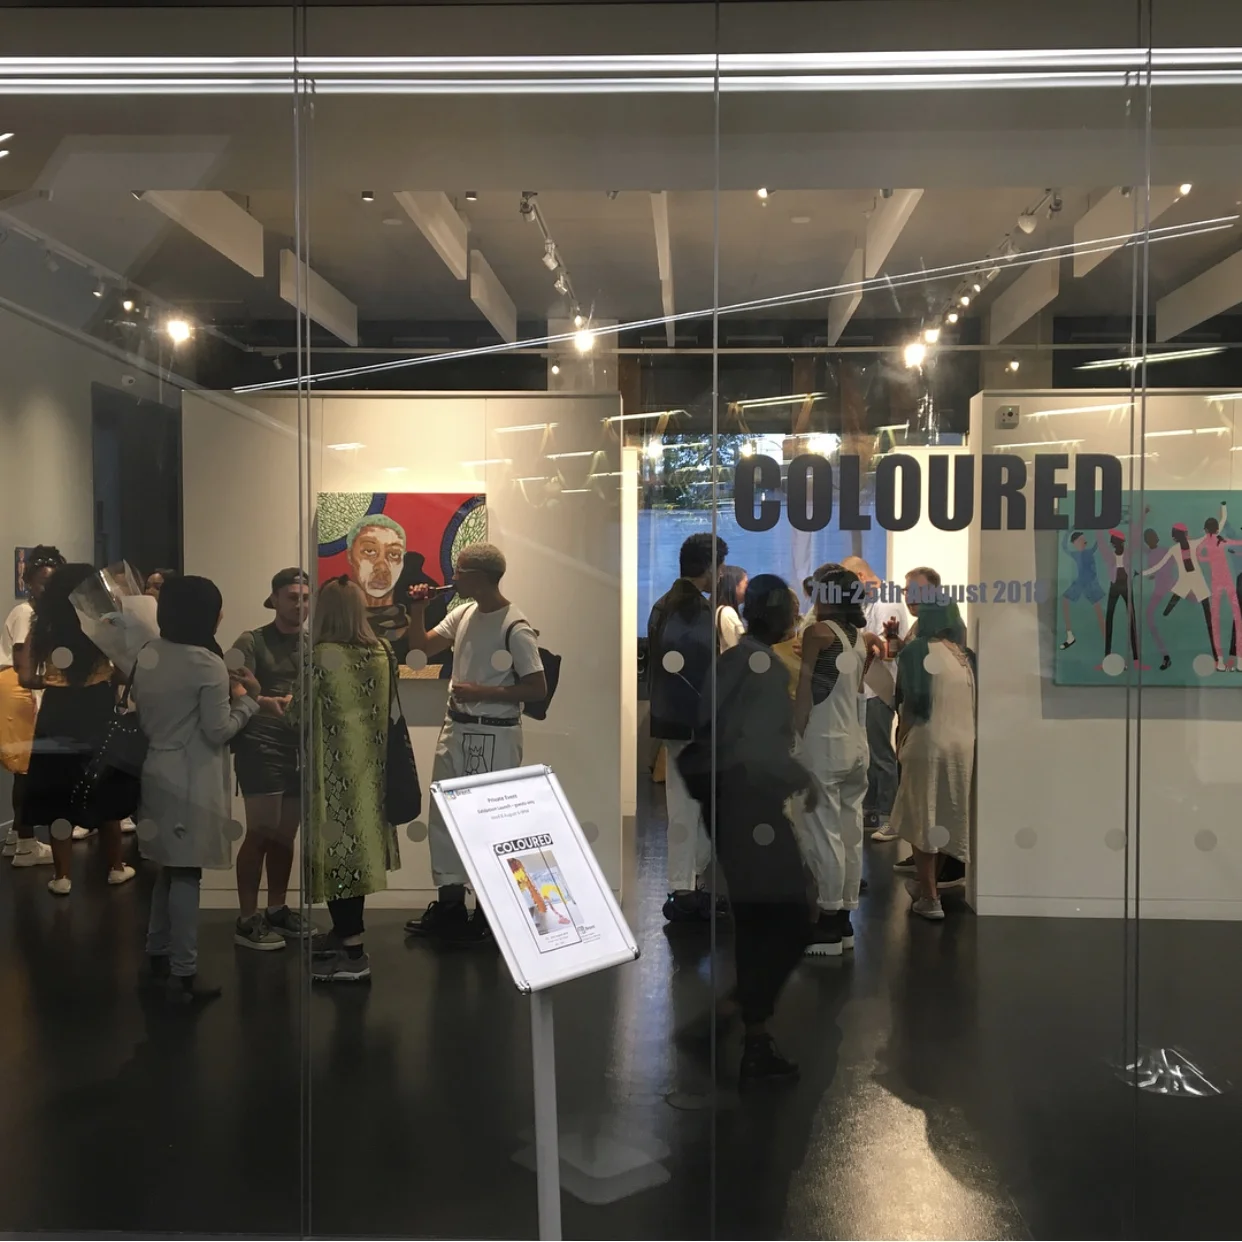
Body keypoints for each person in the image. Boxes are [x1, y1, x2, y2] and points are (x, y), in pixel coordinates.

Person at [695, 574, 813, 1081]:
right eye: (791, 607)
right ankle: (744, 1027)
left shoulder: (732, 662)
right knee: (791, 919)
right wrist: (800, 778)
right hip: (752, 811)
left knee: (759, 921)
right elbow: (757, 748)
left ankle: (748, 1029)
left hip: (728, 808)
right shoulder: (762, 669)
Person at [403, 543, 546, 942]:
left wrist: (483, 691)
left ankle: (490, 913)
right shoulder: (464, 613)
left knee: (492, 823)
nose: (453, 578)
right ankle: (450, 907)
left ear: (480, 577)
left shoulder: (514, 626)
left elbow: (537, 687)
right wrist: (417, 610)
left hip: (495, 732)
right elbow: (421, 648)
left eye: (460, 571)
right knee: (444, 818)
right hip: (458, 727)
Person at [133, 576, 261, 1004]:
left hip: (156, 768)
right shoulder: (206, 663)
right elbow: (218, 729)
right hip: (191, 776)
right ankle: (184, 972)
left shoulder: (149, 653)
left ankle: (157, 953)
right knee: (187, 873)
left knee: (167, 868)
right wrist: (249, 700)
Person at [292, 577, 403, 982]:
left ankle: (353, 954)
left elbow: (297, 715)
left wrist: (259, 697)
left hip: (332, 775)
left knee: (338, 859)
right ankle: (343, 935)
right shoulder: (384, 652)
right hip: (373, 772)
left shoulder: (319, 656)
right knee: (359, 858)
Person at [20, 564, 135, 895]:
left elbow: (25, 676)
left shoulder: (44, 625)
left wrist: (53, 681)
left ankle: (62, 876)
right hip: (96, 707)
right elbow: (125, 672)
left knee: (58, 791)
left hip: (57, 710)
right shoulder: (102, 623)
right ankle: (115, 868)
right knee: (106, 789)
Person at [230, 567, 313, 950]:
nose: (300, 605)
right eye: (293, 598)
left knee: (285, 835)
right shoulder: (251, 640)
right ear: (275, 599)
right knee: (261, 832)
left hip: (299, 747)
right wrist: (264, 701)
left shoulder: (313, 644)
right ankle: (247, 919)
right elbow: (230, 683)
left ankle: (277, 909)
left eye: (305, 598)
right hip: (260, 745)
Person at [647, 532, 727, 923]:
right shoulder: (691, 608)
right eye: (719, 566)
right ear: (709, 567)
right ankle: (684, 889)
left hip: (678, 721)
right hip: (692, 724)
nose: (722, 574)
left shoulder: (666, 603)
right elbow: (696, 671)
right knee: (688, 806)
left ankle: (688, 886)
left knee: (690, 805)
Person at [794, 564, 872, 957]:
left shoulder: (818, 633)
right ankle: (843, 920)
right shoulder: (860, 639)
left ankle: (827, 920)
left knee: (823, 833)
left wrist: (794, 737)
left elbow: (805, 692)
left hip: (824, 743)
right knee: (850, 832)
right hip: (856, 743)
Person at [890, 598, 975, 920]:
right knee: (945, 815)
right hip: (963, 745)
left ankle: (929, 897)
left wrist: (900, 740)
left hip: (927, 742)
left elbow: (913, 704)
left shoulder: (917, 651)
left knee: (922, 816)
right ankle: (929, 887)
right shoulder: (966, 657)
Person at [2, 545, 64, 866]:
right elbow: (23, 661)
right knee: (25, 770)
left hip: (19, 686)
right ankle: (26, 844)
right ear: (29, 582)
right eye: (43, 582)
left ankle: (17, 837)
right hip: (18, 688)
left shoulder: (36, 613)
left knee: (23, 770)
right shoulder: (26, 614)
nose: (48, 589)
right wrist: (50, 685)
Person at [842, 556, 911, 841]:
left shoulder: (887, 601)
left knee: (881, 753)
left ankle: (888, 814)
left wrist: (866, 644)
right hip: (869, 686)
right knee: (870, 752)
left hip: (879, 686)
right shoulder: (873, 601)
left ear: (860, 576)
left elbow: (887, 650)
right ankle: (872, 809)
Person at [1058, 530, 1107, 652]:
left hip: (1090, 585)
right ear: (1075, 543)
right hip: (1080, 583)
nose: (1084, 542)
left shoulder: (1089, 552)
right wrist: (1069, 531)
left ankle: (1107, 642)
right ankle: (1070, 636)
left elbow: (1098, 543)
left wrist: (1100, 529)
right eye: (1081, 540)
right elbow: (1064, 546)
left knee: (1099, 612)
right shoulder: (1075, 554)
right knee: (1064, 601)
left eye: (1084, 539)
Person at [714, 564, 748, 653]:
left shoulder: (720, 610)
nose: (748, 589)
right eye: (746, 583)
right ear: (734, 585)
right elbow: (740, 648)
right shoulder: (727, 612)